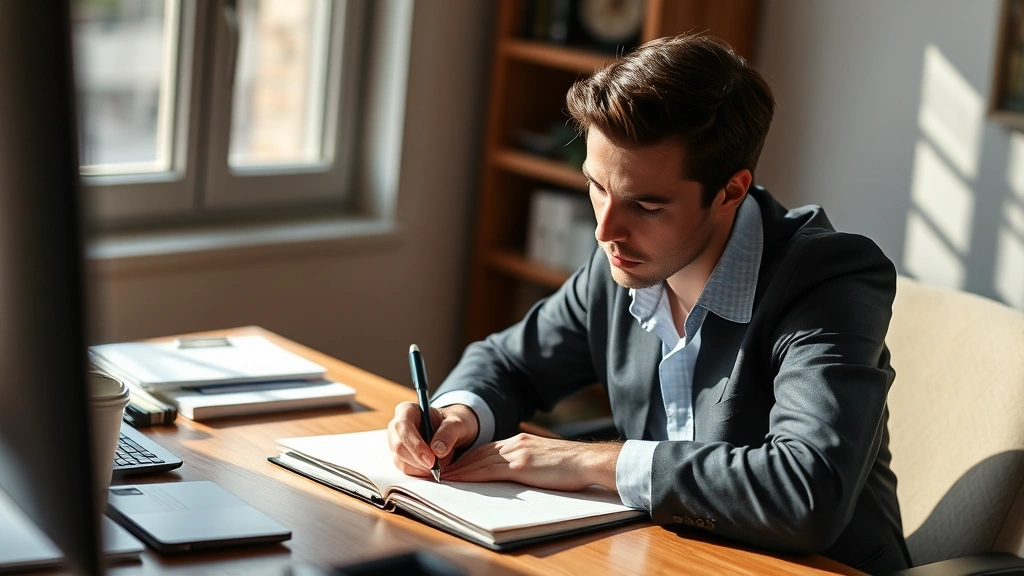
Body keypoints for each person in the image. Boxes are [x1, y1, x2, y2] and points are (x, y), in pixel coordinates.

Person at [388, 33, 910, 573]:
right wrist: (456, 415)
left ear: (731, 191)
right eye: (596, 186)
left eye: (646, 205)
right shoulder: (620, 266)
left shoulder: (829, 282)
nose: (605, 230)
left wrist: (589, 461)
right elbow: (509, 362)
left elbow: (806, 492)